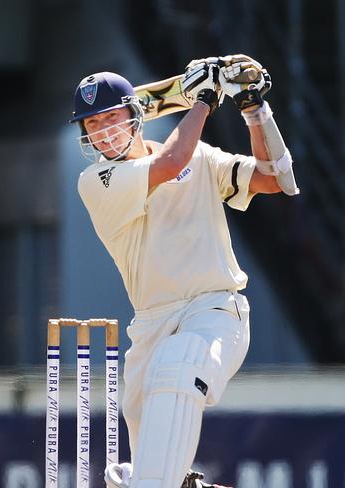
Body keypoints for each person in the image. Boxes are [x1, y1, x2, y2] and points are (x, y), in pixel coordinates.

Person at [69, 56, 298, 488]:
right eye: (92, 125)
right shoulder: (97, 180)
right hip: (151, 327)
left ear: (136, 115)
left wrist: (253, 109)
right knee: (153, 462)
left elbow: (274, 179)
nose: (103, 131)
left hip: (215, 311)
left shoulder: (202, 157)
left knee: (178, 368)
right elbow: (171, 162)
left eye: (111, 118)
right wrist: (205, 99)